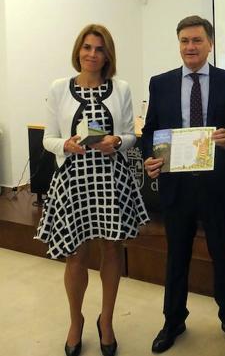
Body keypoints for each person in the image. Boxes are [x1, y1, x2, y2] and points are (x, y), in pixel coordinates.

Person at [35, 23, 149, 356]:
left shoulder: (121, 88)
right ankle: (76, 321)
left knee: (112, 251)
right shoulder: (59, 88)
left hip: (111, 180)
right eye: (87, 47)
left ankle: (107, 321)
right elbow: (48, 138)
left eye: (99, 49)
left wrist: (116, 141)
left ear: (107, 54)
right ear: (78, 51)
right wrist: (66, 145)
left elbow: (129, 134)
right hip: (74, 181)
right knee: (76, 255)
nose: (92, 54)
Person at [141, 15, 225, 353]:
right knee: (177, 257)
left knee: (222, 254)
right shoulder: (160, 83)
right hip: (178, 186)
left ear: (210, 44)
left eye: (197, 40)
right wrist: (150, 158)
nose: (190, 47)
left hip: (218, 185)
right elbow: (150, 132)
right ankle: (173, 319)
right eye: (185, 41)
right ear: (179, 44)